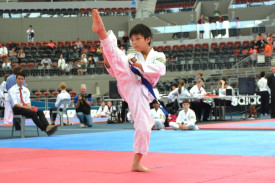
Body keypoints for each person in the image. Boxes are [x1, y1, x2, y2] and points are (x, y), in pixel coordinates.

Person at [92, 9, 166, 172]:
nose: (134, 42)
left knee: (145, 125)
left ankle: (136, 162)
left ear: (148, 39)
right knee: (119, 58)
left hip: (140, 90)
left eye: (137, 39)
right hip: (130, 85)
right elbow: (115, 70)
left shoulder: (159, 55)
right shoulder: (133, 56)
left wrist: (142, 67)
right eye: (132, 40)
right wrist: (108, 58)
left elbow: (160, 69)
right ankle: (102, 31)